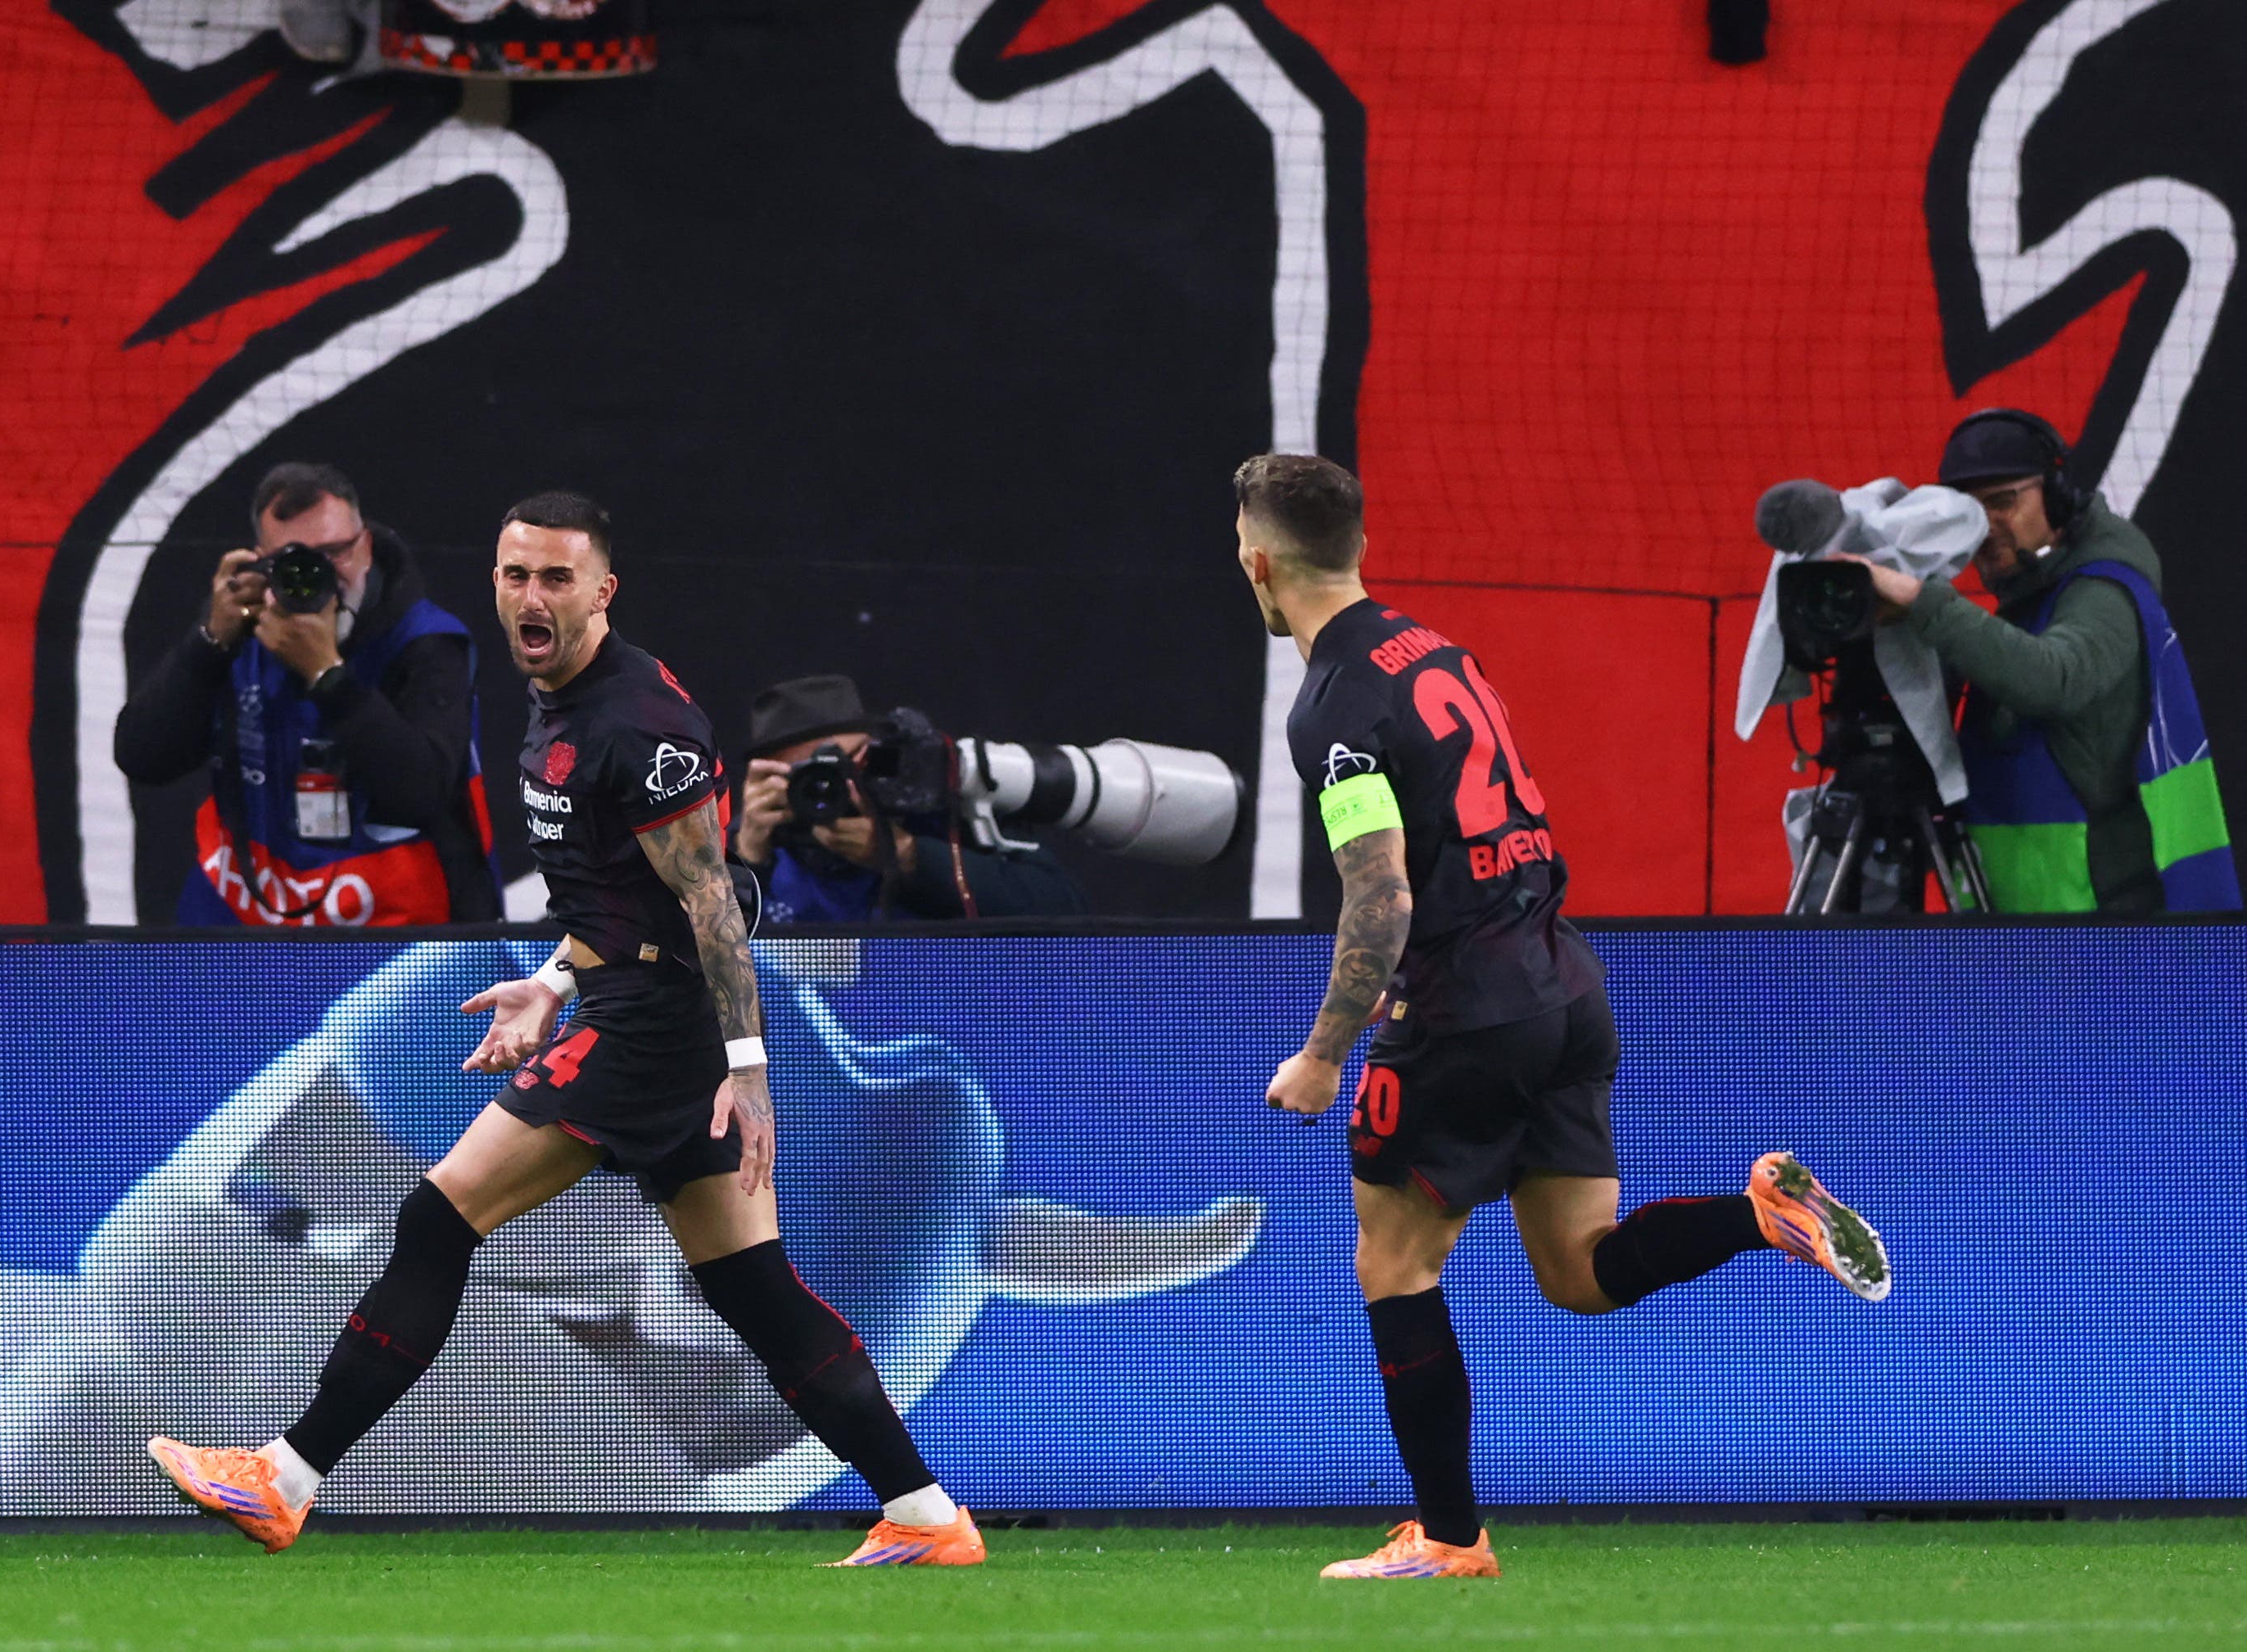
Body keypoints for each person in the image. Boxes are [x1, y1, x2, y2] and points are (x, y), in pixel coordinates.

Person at [146, 491, 983, 1567]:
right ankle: (925, 1513)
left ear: (602, 591)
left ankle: (284, 1476)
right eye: (514, 574)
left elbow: (711, 901)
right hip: (639, 1016)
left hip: (651, 1036)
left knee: (438, 1219)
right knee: (754, 1291)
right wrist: (547, 983)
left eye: (555, 577)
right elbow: (619, 899)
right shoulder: (558, 705)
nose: (531, 596)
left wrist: (747, 1068)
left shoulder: (638, 722)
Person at [1232, 454, 1890, 1582]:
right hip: (1565, 983)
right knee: (1580, 1273)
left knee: (1394, 1261)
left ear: (1257, 565)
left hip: (1465, 1009)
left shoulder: (1335, 703)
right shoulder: (1433, 649)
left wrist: (1322, 1052)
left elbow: (1381, 893)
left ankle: (1448, 1538)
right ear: (1362, 548)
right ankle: (1759, 1215)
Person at [1844, 409, 2237, 913]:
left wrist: (1924, 602)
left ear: (2056, 497)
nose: (1984, 527)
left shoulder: (2106, 588)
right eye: (1967, 511)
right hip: (2034, 912)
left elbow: (2055, 679)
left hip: (2103, 919)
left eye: (2002, 502)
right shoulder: (2030, 594)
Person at [113, 463, 500, 925]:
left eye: (335, 552)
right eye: (296, 560)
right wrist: (208, 644)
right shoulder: (241, 628)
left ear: (366, 546)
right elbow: (143, 757)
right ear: (263, 561)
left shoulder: (427, 644)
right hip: (244, 914)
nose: (322, 575)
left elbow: (422, 793)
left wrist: (328, 676)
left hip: (384, 932)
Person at [731, 675, 1086, 922]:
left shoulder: (942, 814)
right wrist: (748, 861)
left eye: (844, 763)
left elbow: (1068, 915)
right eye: (807, 775)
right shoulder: (755, 840)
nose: (831, 786)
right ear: (767, 780)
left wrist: (910, 856)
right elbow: (709, 970)